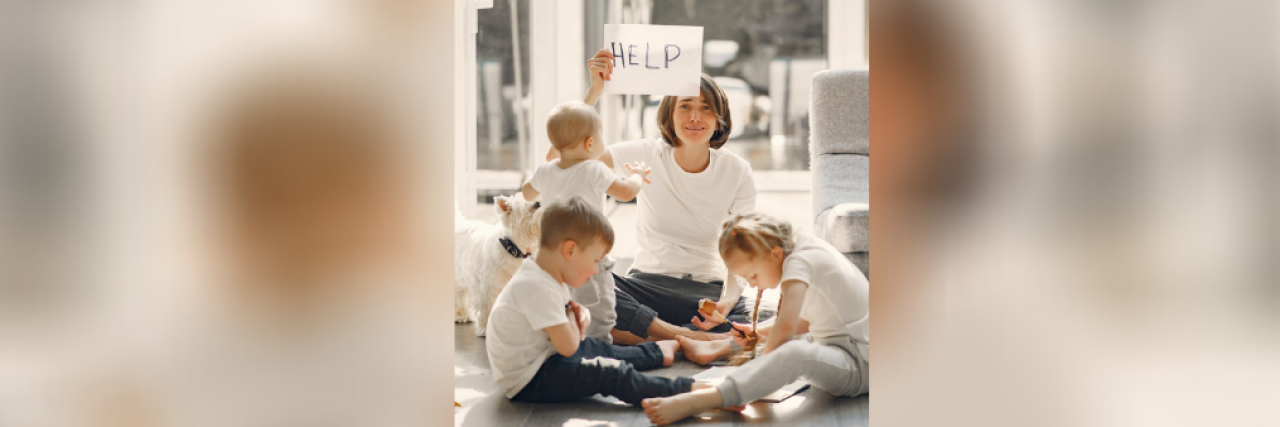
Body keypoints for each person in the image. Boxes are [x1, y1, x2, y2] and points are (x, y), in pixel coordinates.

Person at [549, 49, 762, 345]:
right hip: (644, 287)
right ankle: (682, 337)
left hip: (705, 296)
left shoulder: (737, 171)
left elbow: (743, 251)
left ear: (719, 119)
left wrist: (726, 302)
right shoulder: (648, 153)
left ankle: (652, 336)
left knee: (769, 317)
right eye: (685, 106)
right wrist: (595, 91)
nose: (695, 117)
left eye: (706, 108)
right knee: (577, 281)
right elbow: (561, 159)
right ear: (669, 116)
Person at [641, 212, 870, 425]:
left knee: (793, 353)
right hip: (847, 348)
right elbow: (808, 320)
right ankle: (725, 358)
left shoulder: (799, 264)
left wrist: (763, 375)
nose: (751, 284)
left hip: (859, 363)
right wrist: (758, 333)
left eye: (752, 275)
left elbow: (786, 327)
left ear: (776, 254)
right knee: (784, 342)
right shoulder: (804, 248)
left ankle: (707, 399)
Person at [486, 197, 691, 405]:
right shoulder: (537, 288)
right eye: (595, 260)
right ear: (570, 250)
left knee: (598, 348)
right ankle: (682, 391)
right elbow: (569, 347)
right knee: (607, 373)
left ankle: (655, 352)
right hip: (530, 379)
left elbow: (567, 323)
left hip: (544, 357)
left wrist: (576, 318)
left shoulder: (545, 275)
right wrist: (578, 321)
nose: (595, 270)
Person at [521, 100, 651, 342]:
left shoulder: (545, 170)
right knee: (599, 308)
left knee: (561, 303)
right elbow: (625, 193)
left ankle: (565, 342)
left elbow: (527, 194)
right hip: (587, 256)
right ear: (591, 143)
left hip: (553, 256)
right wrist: (638, 175)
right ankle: (598, 346)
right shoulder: (594, 169)